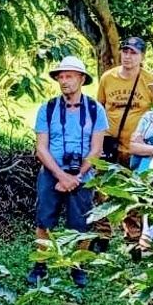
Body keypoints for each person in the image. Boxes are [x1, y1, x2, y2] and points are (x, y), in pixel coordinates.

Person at [29, 56, 108, 287]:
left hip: (83, 174)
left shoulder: (95, 109)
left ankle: (78, 267)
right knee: (44, 221)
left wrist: (77, 176)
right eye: (61, 77)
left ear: (81, 79)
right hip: (52, 173)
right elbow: (41, 149)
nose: (64, 81)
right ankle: (40, 265)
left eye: (69, 76)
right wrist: (62, 176)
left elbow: (96, 149)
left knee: (82, 224)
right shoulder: (47, 108)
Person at [97, 36, 153, 165]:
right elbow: (99, 110)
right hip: (110, 145)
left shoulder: (150, 81)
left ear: (142, 57)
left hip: (136, 149)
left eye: (133, 53)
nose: (128, 56)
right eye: (125, 51)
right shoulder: (107, 78)